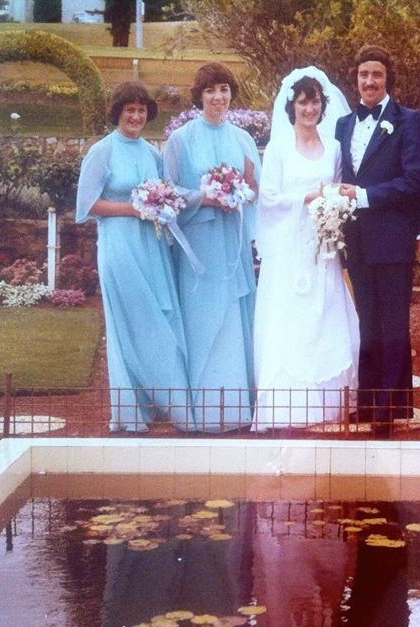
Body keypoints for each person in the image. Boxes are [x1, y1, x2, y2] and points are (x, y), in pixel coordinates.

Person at [75, 82, 193, 432]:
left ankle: (162, 402)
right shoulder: (102, 151)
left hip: (151, 246)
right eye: (130, 110)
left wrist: (163, 204)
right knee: (133, 322)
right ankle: (133, 410)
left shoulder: (150, 153)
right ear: (118, 112)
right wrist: (134, 208)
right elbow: (87, 206)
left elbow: (164, 194)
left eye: (142, 111)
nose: (136, 116)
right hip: (120, 247)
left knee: (159, 317)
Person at [253, 68, 359, 429]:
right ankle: (288, 404)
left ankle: (330, 402)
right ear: (292, 107)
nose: (309, 108)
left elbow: (342, 188)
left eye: (315, 102)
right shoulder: (279, 149)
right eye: (303, 102)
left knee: (324, 314)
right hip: (288, 245)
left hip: (323, 244)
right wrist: (307, 197)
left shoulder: (334, 149)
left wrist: (331, 207)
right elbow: (268, 198)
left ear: (322, 106)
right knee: (290, 316)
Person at [163, 63, 261, 432]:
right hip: (199, 245)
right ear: (199, 96)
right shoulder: (181, 139)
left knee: (234, 316)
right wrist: (206, 198)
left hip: (232, 241)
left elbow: (254, 189)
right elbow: (168, 192)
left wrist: (238, 193)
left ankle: (236, 406)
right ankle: (202, 408)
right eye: (210, 91)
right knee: (203, 317)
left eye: (223, 89)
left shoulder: (242, 139)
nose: (218, 97)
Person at [336, 45, 420, 437]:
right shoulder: (342, 124)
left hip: (392, 238)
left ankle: (391, 407)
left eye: (377, 75)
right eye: (363, 75)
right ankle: (370, 401)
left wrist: (365, 196)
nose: (369, 82)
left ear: (387, 79)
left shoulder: (408, 122)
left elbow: (415, 180)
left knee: (393, 324)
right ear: (355, 79)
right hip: (355, 240)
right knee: (367, 322)